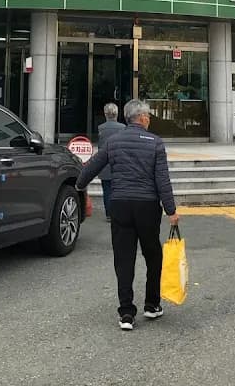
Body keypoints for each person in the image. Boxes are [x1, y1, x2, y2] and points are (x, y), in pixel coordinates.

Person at [76, 98, 179, 331]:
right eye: (149, 116)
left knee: (124, 258)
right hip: (147, 206)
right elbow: (162, 180)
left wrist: (79, 186)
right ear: (141, 118)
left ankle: (126, 313)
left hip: (120, 204)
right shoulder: (155, 143)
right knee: (153, 255)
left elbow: (93, 165)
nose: (150, 119)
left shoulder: (113, 141)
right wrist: (171, 210)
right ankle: (152, 305)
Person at [96, 102, 125, 221]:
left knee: (107, 190)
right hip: (119, 163)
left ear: (105, 114)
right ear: (117, 114)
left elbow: (100, 147)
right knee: (119, 190)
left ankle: (109, 214)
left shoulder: (101, 128)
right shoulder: (123, 128)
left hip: (105, 163)